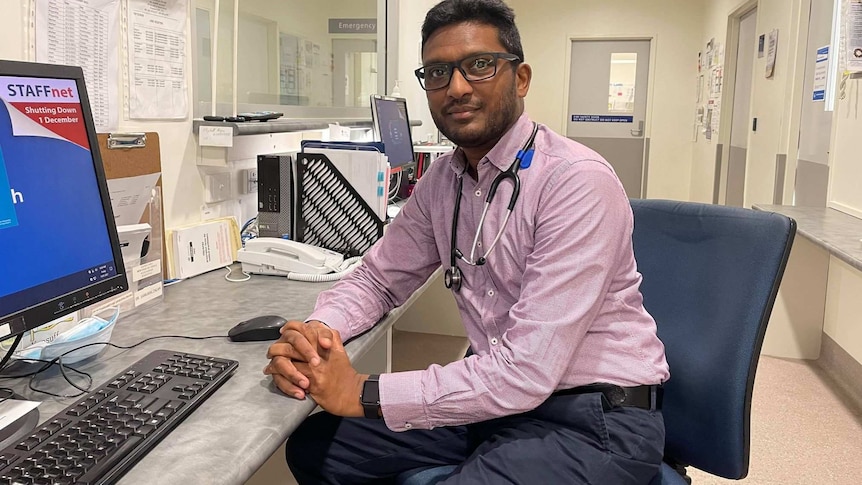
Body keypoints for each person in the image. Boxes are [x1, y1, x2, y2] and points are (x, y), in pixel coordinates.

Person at [264, 0, 670, 483]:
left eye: (479, 65)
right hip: (498, 403)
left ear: (520, 79)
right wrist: (317, 334)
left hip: (595, 418)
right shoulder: (444, 181)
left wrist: (363, 391)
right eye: (438, 72)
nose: (456, 87)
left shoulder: (575, 181)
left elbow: (525, 371)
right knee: (318, 447)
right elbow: (378, 279)